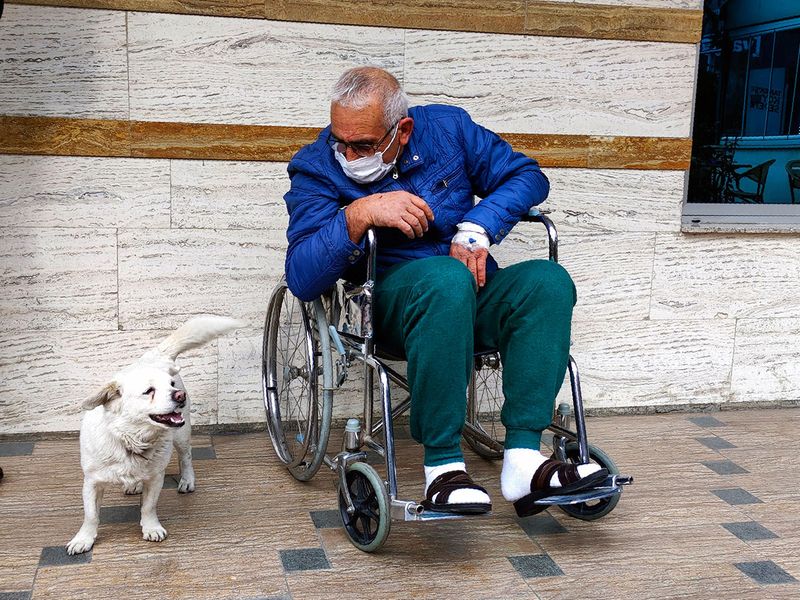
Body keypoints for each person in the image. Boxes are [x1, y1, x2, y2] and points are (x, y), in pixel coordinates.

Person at [283, 66, 606, 517]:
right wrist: (358, 214)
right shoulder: (316, 166)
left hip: (471, 289)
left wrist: (479, 226)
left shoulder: (448, 130)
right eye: (341, 140)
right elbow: (301, 276)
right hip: (390, 304)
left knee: (547, 282)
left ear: (403, 129)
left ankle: (523, 459)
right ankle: (443, 467)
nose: (348, 154)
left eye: (364, 145)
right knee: (444, 279)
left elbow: (527, 176)